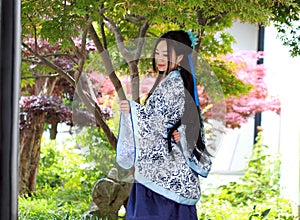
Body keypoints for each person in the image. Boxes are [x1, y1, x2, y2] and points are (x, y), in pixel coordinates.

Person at [116, 30, 212, 220]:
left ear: (181, 56)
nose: (159, 59)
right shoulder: (175, 82)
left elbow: (156, 123)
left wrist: (133, 111)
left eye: (166, 54)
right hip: (164, 172)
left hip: (161, 180)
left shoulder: (173, 85)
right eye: (157, 53)